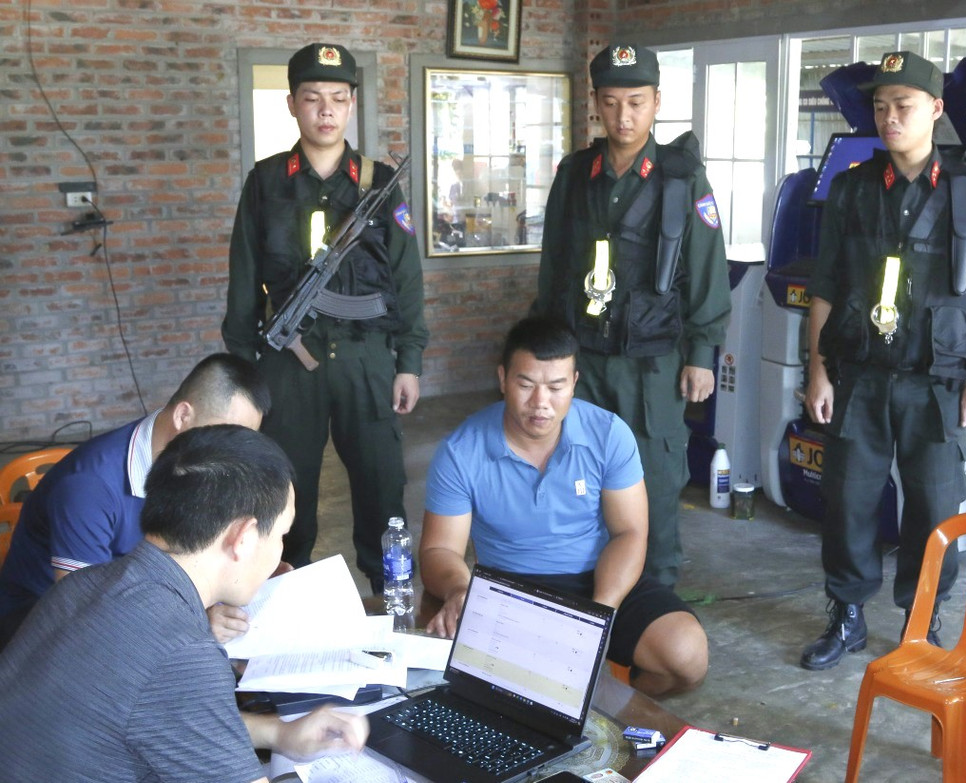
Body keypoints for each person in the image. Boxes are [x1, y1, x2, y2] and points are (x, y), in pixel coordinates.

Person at [0, 424, 369, 781]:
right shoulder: (181, 652)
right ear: (243, 537)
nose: (280, 553)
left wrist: (279, 733)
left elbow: (162, 717)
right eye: (280, 535)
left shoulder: (84, 585)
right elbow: (171, 690)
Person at [800, 51, 966, 671]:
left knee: (934, 507)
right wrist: (816, 369)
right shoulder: (851, 190)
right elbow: (824, 288)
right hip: (860, 375)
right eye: (880, 106)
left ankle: (923, 622)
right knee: (848, 501)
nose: (889, 117)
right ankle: (847, 615)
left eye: (904, 105)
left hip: (935, 382)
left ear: (936, 110)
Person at [222, 42, 428, 592]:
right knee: (285, 492)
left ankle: (392, 597)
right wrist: (243, 375)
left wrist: (409, 361)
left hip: (366, 358)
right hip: (288, 364)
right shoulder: (266, 181)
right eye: (313, 98)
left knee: (383, 488)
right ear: (292, 104)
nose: (326, 110)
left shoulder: (380, 183)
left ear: (352, 104)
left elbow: (407, 278)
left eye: (338, 98)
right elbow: (244, 280)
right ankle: (283, 596)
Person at [420, 316, 708, 697]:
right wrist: (460, 589)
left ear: (574, 383)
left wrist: (598, 616)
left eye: (556, 387)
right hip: (512, 589)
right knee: (521, 694)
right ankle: (582, 704)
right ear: (503, 379)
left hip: (600, 578)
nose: (540, 403)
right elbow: (439, 549)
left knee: (687, 656)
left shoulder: (608, 434)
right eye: (525, 385)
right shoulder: (461, 451)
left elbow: (630, 532)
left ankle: (609, 701)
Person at [534, 43, 731, 589]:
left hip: (652, 364)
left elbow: (708, 272)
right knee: (576, 474)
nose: (624, 116)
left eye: (637, 102)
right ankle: (583, 592)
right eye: (612, 102)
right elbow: (553, 268)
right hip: (580, 358)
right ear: (596, 102)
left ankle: (655, 593)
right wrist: (542, 353)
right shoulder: (575, 174)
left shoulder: (682, 178)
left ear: (657, 103)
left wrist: (702, 354)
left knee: (655, 479)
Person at [0, 352, 270, 649]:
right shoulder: (90, 487)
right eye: (226, 437)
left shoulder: (197, 465)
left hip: (131, 598)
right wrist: (192, 624)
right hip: (39, 623)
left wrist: (256, 567)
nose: (235, 456)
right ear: (183, 416)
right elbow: (84, 619)